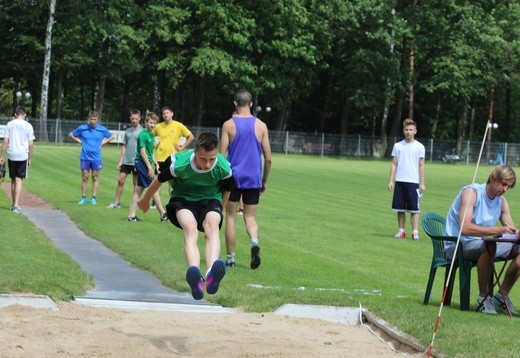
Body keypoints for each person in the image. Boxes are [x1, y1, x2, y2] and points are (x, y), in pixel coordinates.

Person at [137, 132, 234, 300]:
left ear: (217, 153)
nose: (207, 164)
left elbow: (227, 190)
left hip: (211, 200)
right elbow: (158, 180)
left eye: (211, 159)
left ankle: (211, 273)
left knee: (212, 224)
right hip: (183, 200)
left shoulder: (223, 167)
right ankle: (195, 275)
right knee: (190, 228)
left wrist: (221, 210)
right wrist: (145, 200)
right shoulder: (179, 164)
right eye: (203, 159)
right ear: (195, 152)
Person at [445, 165, 520, 315]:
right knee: (489, 245)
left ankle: (501, 296)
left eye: (508, 186)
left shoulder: (501, 201)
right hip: (458, 245)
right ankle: (483, 297)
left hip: (482, 244)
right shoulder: (471, 193)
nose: (505, 189)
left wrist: (517, 234)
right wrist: (498, 230)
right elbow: (464, 228)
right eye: (503, 184)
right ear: (493, 178)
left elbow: (510, 228)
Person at [220, 89, 272, 269]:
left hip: (233, 177)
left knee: (231, 217)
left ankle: (230, 258)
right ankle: (254, 242)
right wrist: (263, 181)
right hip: (253, 178)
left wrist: (219, 180)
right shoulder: (261, 126)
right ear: (251, 104)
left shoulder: (228, 125)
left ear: (235, 103)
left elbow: (221, 155)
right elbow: (269, 158)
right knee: (250, 217)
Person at [388, 118, 425, 240]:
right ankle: (401, 231)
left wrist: (422, 183)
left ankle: (415, 232)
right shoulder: (398, 146)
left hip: (413, 182)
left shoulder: (420, 147)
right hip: (400, 181)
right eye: (406, 129)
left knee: (414, 209)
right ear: (403, 131)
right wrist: (391, 180)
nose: (408, 132)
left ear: (415, 131)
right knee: (400, 208)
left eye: (411, 129)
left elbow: (421, 165)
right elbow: (394, 164)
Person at [127, 112, 168, 222]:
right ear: (145, 122)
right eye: (150, 122)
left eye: (154, 123)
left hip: (146, 163)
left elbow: (151, 153)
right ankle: (163, 214)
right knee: (153, 188)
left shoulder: (151, 134)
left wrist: (156, 163)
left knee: (139, 190)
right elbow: (143, 152)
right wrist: (150, 167)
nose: (152, 125)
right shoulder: (143, 135)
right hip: (142, 163)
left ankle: (131, 215)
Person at [69, 110, 115, 205]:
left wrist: (103, 142)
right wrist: (79, 141)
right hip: (85, 157)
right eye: (91, 119)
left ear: (97, 120)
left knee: (95, 177)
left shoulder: (101, 129)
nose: (93, 121)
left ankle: (93, 197)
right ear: (88, 119)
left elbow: (112, 136)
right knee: (85, 177)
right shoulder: (83, 128)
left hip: (96, 157)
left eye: (94, 119)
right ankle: (83, 197)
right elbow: (71, 134)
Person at [0, 106, 35, 213]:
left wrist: (1, 156)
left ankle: (13, 204)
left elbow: (5, 141)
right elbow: (31, 144)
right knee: (19, 179)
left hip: (12, 154)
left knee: (13, 179)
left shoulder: (10, 124)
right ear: (24, 115)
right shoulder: (28, 125)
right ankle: (16, 205)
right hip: (22, 155)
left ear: (15, 114)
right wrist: (30, 158)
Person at [106, 109, 143, 209]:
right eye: (132, 118)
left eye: (136, 118)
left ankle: (134, 204)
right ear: (130, 119)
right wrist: (120, 160)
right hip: (127, 161)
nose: (134, 120)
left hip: (137, 161)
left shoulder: (143, 132)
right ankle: (117, 202)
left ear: (139, 118)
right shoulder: (127, 131)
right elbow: (124, 146)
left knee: (136, 182)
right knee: (120, 180)